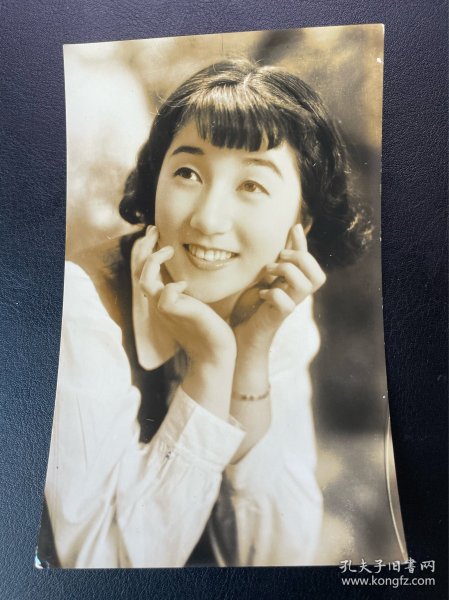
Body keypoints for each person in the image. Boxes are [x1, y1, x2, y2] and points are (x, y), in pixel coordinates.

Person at [41, 59, 371, 568]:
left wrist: (251, 354)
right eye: (188, 173)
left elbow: (281, 556)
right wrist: (212, 364)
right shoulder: (82, 307)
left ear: (300, 220)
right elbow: (101, 566)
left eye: (252, 185)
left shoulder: (277, 302)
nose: (208, 218)